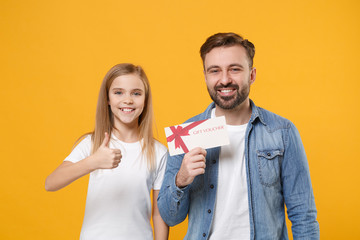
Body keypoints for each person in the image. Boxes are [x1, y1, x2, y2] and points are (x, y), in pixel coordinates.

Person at [158, 33, 319, 239]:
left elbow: (303, 215)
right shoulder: (185, 133)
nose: (224, 80)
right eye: (215, 71)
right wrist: (181, 180)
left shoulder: (283, 132)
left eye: (234, 69)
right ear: (206, 77)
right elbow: (170, 218)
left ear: (251, 75)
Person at [45, 63, 169, 240]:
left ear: (145, 100)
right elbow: (51, 183)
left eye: (136, 93)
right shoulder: (92, 143)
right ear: (108, 99)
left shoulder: (158, 152)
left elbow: (159, 214)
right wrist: (92, 162)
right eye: (118, 92)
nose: (128, 100)